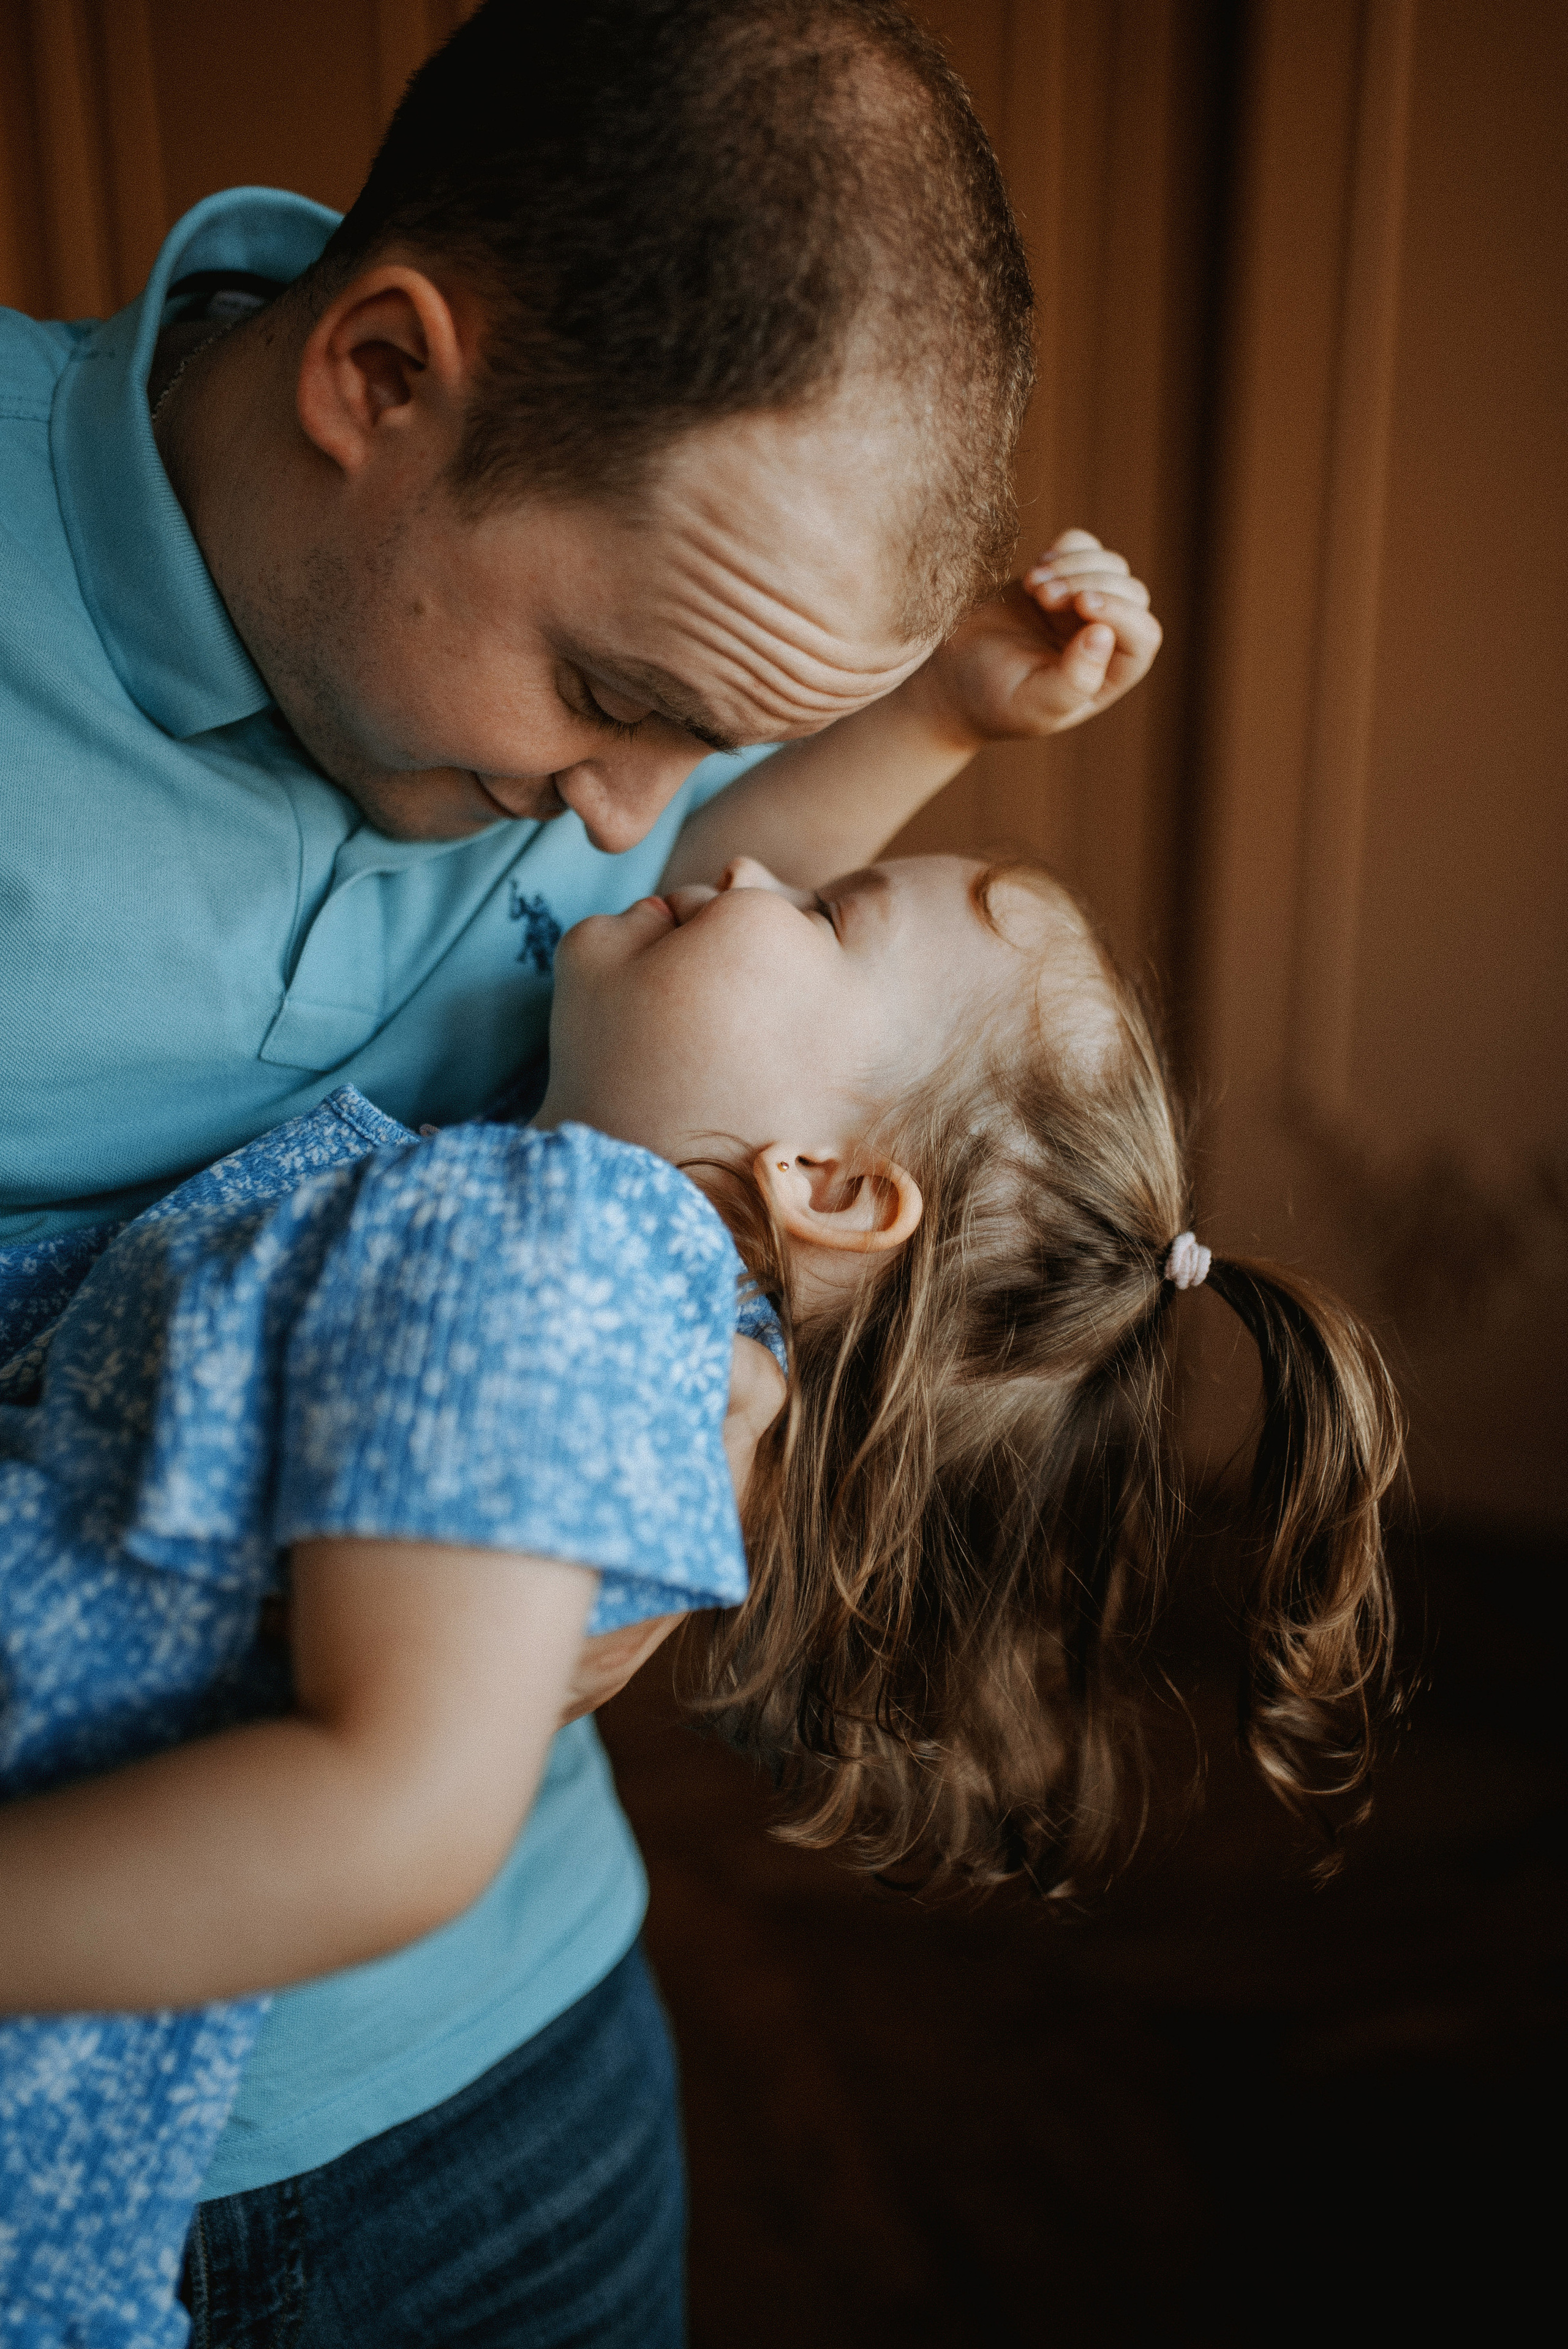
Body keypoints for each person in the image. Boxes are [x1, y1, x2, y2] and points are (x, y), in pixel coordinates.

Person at [0, 2, 1167, 2328]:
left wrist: (919, 717)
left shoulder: (602, 1027)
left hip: (513, 2091)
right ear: (382, 376)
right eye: (619, 694)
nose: (649, 830)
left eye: (723, 753)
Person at [0, 847, 1403, 2341]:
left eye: (817, 913)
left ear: (832, 1185)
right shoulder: (607, 1262)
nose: (743, 861)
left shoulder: (559, 1250)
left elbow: (401, 1821)